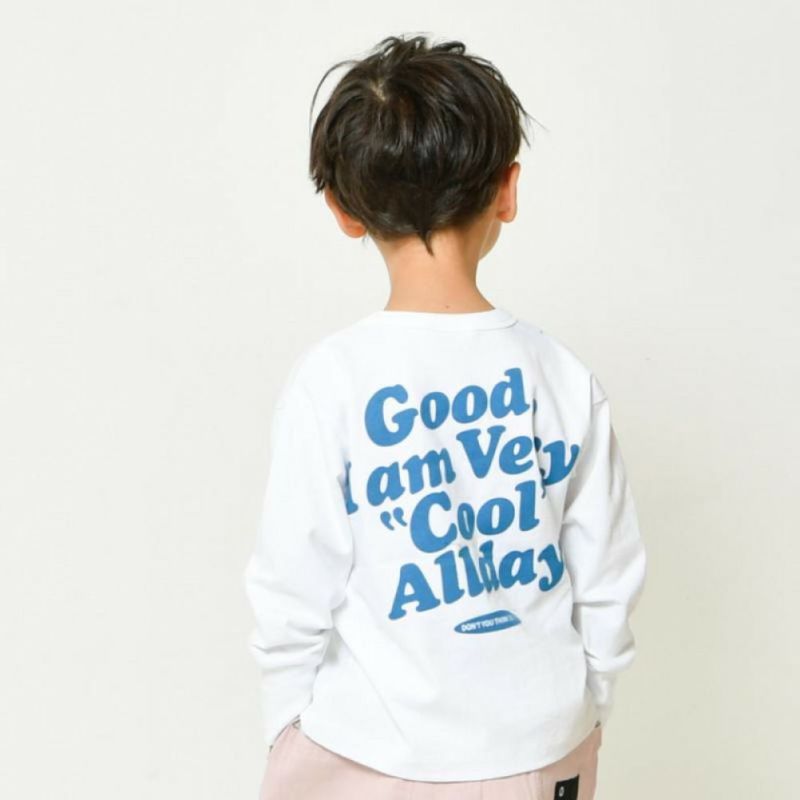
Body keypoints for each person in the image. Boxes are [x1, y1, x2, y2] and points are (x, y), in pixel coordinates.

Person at [243, 33, 647, 800]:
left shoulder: (331, 381)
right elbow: (609, 575)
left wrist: (285, 722)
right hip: (539, 752)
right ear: (507, 191)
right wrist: (583, 709)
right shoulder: (563, 378)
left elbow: (291, 581)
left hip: (364, 751)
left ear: (342, 210)